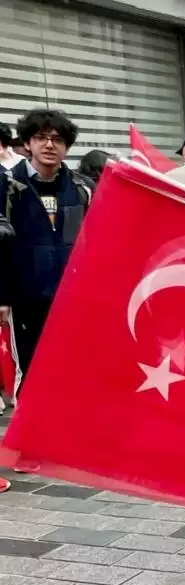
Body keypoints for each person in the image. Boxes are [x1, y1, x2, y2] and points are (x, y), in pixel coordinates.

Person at [0, 109, 93, 387]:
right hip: (25, 302)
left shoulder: (83, 188)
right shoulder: (5, 186)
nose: (50, 145)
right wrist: (2, 296)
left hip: (73, 299)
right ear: (27, 144)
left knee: (74, 372)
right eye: (41, 137)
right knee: (31, 376)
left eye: (57, 139)